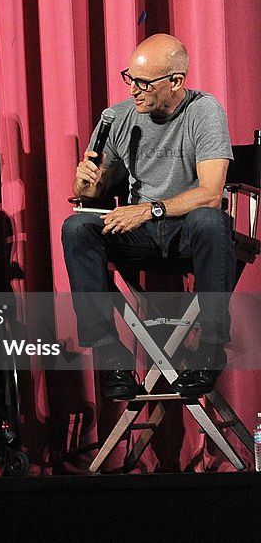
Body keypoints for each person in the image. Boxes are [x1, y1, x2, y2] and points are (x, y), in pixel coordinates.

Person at [62, 33, 234, 399]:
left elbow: (211, 193)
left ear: (176, 82)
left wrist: (150, 209)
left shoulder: (204, 111)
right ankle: (110, 354)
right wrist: (84, 184)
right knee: (77, 227)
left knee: (211, 219)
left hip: (188, 230)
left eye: (144, 82)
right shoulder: (118, 117)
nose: (134, 90)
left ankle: (211, 348)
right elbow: (94, 193)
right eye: (130, 79)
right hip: (140, 233)